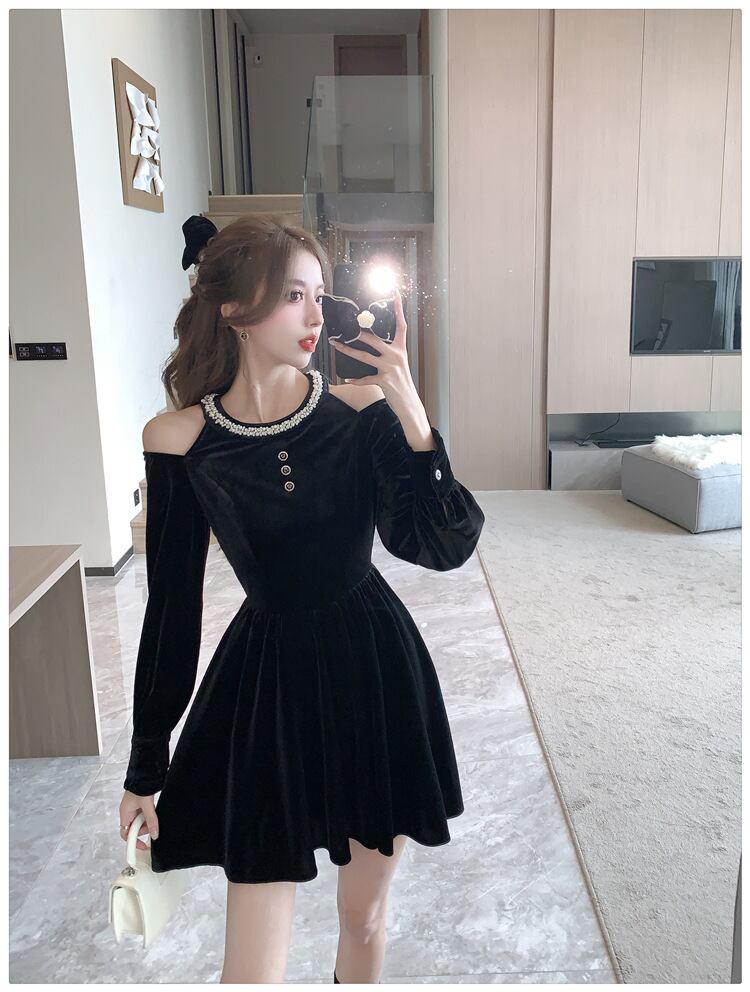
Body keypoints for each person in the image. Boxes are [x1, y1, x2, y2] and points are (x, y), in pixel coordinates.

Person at [118, 214, 485, 983]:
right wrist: (146, 763)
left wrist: (413, 415)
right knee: (250, 972)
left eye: (320, 294)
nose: (317, 315)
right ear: (232, 308)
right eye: (293, 295)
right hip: (266, 694)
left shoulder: (362, 412)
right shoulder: (178, 439)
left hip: (374, 675)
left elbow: (440, 545)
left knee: (364, 918)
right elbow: (171, 609)